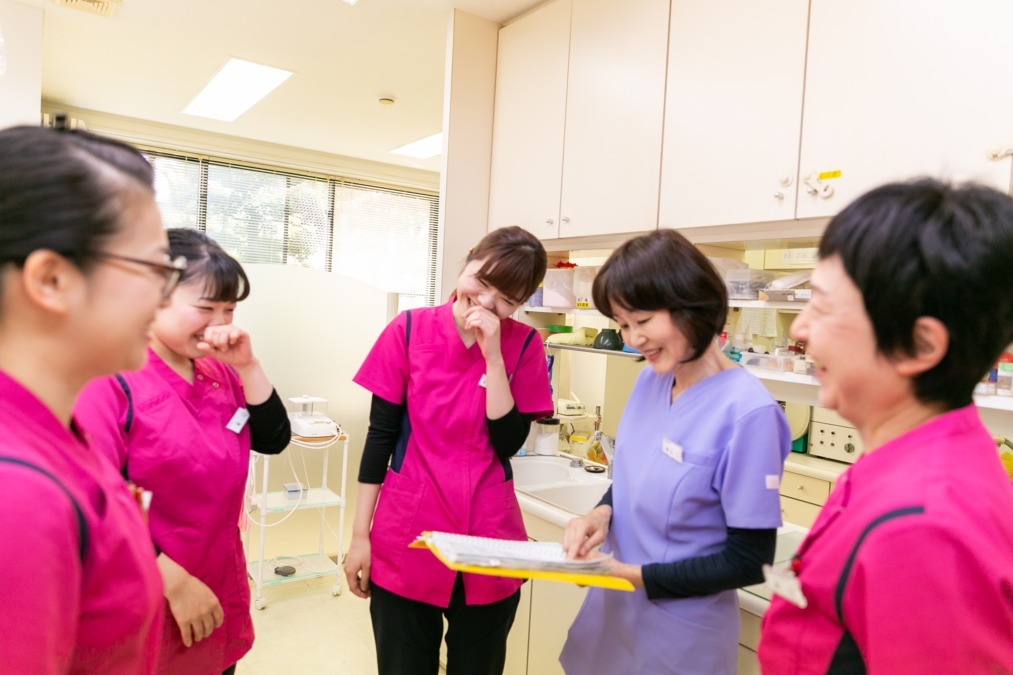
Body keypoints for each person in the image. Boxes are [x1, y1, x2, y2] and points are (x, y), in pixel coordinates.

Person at [758, 179, 1013, 673]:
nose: (799, 329)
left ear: (919, 345)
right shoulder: (897, 464)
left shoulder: (925, 530)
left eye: (822, 306)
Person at [560, 229, 792, 674]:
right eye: (622, 324)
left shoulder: (749, 413)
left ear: (691, 305)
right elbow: (633, 477)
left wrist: (628, 576)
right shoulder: (650, 380)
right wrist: (599, 515)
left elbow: (749, 560)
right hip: (612, 619)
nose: (633, 339)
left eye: (643, 321)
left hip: (679, 639)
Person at [75, 228, 292, 675]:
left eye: (230, 309)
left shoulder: (219, 371)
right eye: (206, 308)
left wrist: (248, 366)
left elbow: (273, 439)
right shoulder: (107, 377)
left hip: (216, 578)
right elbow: (93, 495)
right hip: (144, 585)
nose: (221, 323)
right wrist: (170, 580)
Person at [0, 125, 175, 671]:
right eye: (156, 269)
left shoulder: (55, 434)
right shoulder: (18, 493)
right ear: (51, 279)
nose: (164, 297)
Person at [343, 226, 553, 675]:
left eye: (507, 300)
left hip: (490, 539)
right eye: (483, 281)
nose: (486, 302)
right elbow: (379, 438)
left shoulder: (524, 346)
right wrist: (360, 537)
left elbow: (508, 444)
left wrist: (493, 357)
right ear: (468, 259)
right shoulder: (407, 330)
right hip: (407, 533)